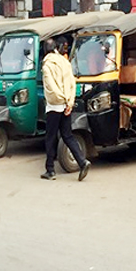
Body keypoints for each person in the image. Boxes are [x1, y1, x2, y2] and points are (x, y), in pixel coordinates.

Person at [40, 37, 91, 181]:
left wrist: (61, 101)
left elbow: (51, 87)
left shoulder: (47, 65)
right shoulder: (64, 62)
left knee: (50, 137)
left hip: (54, 106)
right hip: (66, 106)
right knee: (67, 135)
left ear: (45, 51)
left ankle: (50, 170)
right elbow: (71, 84)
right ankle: (82, 162)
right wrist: (69, 102)